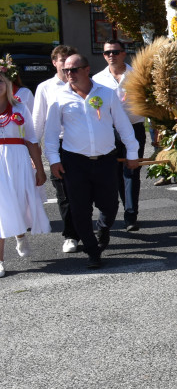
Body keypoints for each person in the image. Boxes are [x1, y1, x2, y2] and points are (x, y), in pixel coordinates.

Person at [44, 53, 140, 269]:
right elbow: (50, 135)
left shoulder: (106, 93)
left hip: (106, 159)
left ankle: (103, 229)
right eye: (66, 70)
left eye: (74, 69)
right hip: (74, 161)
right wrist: (53, 160)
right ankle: (92, 250)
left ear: (87, 69)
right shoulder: (59, 97)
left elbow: (123, 125)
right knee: (79, 209)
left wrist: (132, 153)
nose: (69, 73)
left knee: (109, 205)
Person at [93, 40, 147, 232]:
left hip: (134, 128)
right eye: (107, 52)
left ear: (124, 54)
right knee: (114, 173)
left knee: (131, 171)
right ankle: (115, 212)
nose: (111, 55)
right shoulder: (97, 79)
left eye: (115, 52)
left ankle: (131, 215)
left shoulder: (137, 75)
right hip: (109, 131)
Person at [0, 72, 50, 277]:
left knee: (19, 204)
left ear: (8, 83)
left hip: (18, 161)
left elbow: (31, 138)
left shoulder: (20, 107)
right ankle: (0, 260)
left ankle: (20, 234)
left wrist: (39, 167)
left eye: (0, 80)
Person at [32, 44, 81, 254]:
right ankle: (71, 235)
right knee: (64, 193)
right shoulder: (45, 87)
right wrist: (33, 153)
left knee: (84, 192)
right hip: (58, 145)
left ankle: (86, 228)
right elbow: (37, 121)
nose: (66, 65)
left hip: (82, 144)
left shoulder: (83, 83)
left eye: (70, 60)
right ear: (54, 63)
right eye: (62, 60)